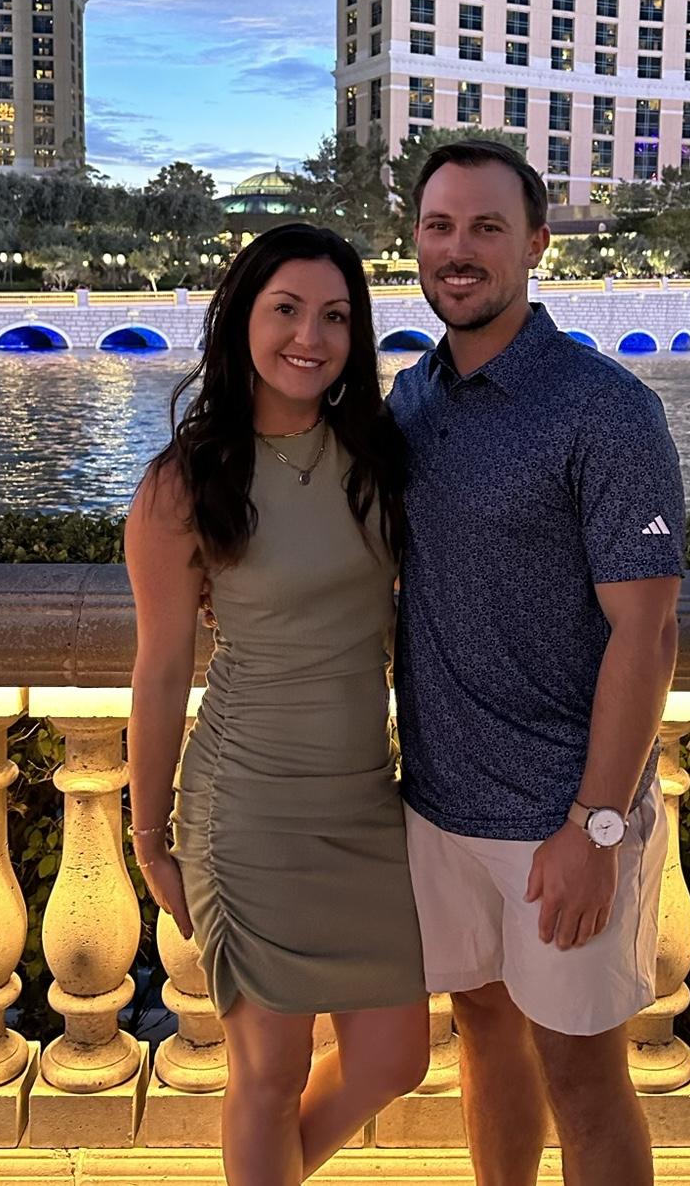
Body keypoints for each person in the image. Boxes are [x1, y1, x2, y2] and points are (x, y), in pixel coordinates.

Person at [388, 140, 685, 1186]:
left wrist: (595, 825)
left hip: (561, 817)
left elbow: (648, 633)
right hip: (437, 806)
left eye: (487, 227)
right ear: (415, 241)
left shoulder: (605, 408)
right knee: (482, 1034)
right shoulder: (411, 399)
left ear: (537, 244)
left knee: (585, 1078)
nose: (458, 250)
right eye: (439, 226)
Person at [125, 223, 429, 1186]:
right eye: (287, 310)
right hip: (247, 804)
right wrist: (149, 836)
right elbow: (160, 670)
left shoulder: (377, 456)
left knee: (396, 1056)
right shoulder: (185, 483)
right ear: (241, 321)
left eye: (335, 317)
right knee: (268, 1072)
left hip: (363, 798)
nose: (311, 336)